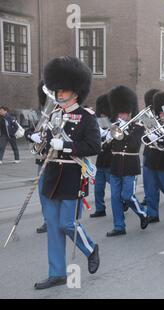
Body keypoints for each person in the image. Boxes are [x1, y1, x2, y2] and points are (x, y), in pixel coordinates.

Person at [33, 56, 100, 290]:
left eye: (63, 90)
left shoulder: (86, 117)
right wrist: (38, 141)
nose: (59, 94)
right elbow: (45, 147)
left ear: (76, 91)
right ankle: (57, 272)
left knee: (67, 224)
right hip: (51, 176)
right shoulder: (52, 116)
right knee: (53, 225)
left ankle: (90, 248)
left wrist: (67, 146)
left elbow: (94, 146)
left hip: (73, 176)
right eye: (57, 90)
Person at [106, 86, 150, 237]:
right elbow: (106, 147)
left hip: (130, 165)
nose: (122, 116)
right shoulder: (114, 127)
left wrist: (123, 132)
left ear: (130, 111)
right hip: (116, 165)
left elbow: (134, 145)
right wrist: (106, 138)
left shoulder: (138, 126)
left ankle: (143, 213)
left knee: (127, 195)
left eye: (124, 112)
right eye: (119, 113)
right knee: (115, 197)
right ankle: (119, 226)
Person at [141, 91, 164, 223]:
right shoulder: (154, 122)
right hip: (151, 158)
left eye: (163, 113)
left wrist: (159, 138)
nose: (161, 115)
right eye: (160, 113)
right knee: (150, 189)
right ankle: (152, 213)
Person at [25, 81, 50, 233]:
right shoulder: (38, 113)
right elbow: (28, 131)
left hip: (56, 159)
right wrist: (32, 136)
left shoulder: (61, 112)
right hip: (41, 160)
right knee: (43, 193)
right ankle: (47, 220)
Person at [90, 94, 113, 218]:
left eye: (105, 113)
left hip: (111, 160)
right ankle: (100, 208)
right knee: (98, 188)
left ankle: (126, 201)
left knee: (115, 187)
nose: (103, 115)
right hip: (100, 161)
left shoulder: (115, 124)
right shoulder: (98, 124)